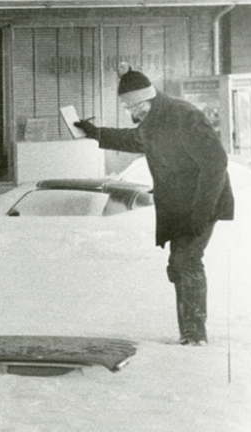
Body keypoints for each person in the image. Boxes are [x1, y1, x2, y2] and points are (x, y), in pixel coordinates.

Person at [75, 63, 234, 346]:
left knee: (187, 260)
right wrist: (97, 133)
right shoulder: (152, 121)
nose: (133, 113)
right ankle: (190, 331)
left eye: (137, 106)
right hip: (177, 204)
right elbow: (134, 139)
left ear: (151, 97)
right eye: (128, 108)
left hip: (202, 200)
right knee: (177, 264)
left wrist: (201, 212)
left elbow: (216, 163)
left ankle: (195, 335)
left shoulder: (185, 115)